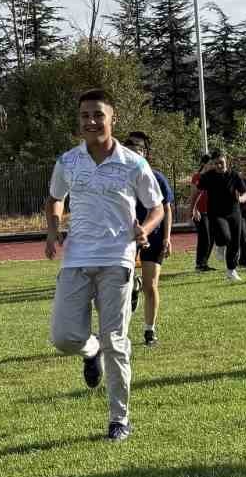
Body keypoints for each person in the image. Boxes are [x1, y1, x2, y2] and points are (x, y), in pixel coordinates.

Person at [45, 89, 163, 442]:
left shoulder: (133, 163)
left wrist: (146, 228)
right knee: (64, 337)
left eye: (98, 114)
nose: (91, 121)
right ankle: (89, 349)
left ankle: (118, 419)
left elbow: (156, 206)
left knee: (116, 340)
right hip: (76, 259)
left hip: (118, 258)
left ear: (113, 119)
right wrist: (53, 232)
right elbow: (54, 198)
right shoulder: (68, 161)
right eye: (85, 115)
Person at [124, 130, 174, 344]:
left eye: (140, 148)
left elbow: (167, 209)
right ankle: (131, 292)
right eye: (132, 147)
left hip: (152, 236)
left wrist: (166, 237)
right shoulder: (119, 177)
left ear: (146, 153)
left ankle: (149, 331)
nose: (136, 150)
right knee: (121, 285)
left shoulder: (157, 177)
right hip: (126, 237)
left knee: (151, 284)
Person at [193, 151, 246, 282]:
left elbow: (245, 193)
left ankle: (231, 271)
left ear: (226, 161)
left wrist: (241, 199)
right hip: (216, 213)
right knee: (225, 236)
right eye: (216, 163)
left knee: (235, 241)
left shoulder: (234, 175)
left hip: (234, 212)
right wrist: (194, 208)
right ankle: (219, 244)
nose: (219, 165)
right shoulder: (208, 176)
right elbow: (197, 192)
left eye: (221, 163)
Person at [191, 153, 215, 271]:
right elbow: (194, 195)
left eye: (213, 164)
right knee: (204, 236)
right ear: (203, 164)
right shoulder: (197, 177)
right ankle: (199, 264)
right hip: (200, 212)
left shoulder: (215, 176)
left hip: (212, 211)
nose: (212, 166)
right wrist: (193, 210)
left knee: (212, 237)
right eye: (210, 164)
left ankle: (204, 263)